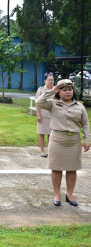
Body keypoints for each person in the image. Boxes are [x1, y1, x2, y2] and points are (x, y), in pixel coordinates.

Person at [36, 79, 90, 207]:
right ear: (59, 92)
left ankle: (70, 194)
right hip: (57, 140)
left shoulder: (79, 106)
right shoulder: (53, 104)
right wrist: (52, 91)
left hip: (73, 141)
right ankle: (57, 195)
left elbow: (85, 124)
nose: (67, 92)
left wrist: (87, 139)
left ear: (73, 91)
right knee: (56, 168)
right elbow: (39, 102)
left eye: (69, 90)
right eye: (64, 90)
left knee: (72, 169)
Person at [35, 73, 55, 157]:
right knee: (42, 133)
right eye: (49, 80)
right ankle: (42, 151)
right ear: (45, 80)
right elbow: (37, 103)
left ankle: (50, 151)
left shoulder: (56, 90)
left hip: (53, 115)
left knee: (51, 134)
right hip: (43, 114)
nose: (51, 81)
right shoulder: (41, 90)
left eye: (52, 80)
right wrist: (38, 115)